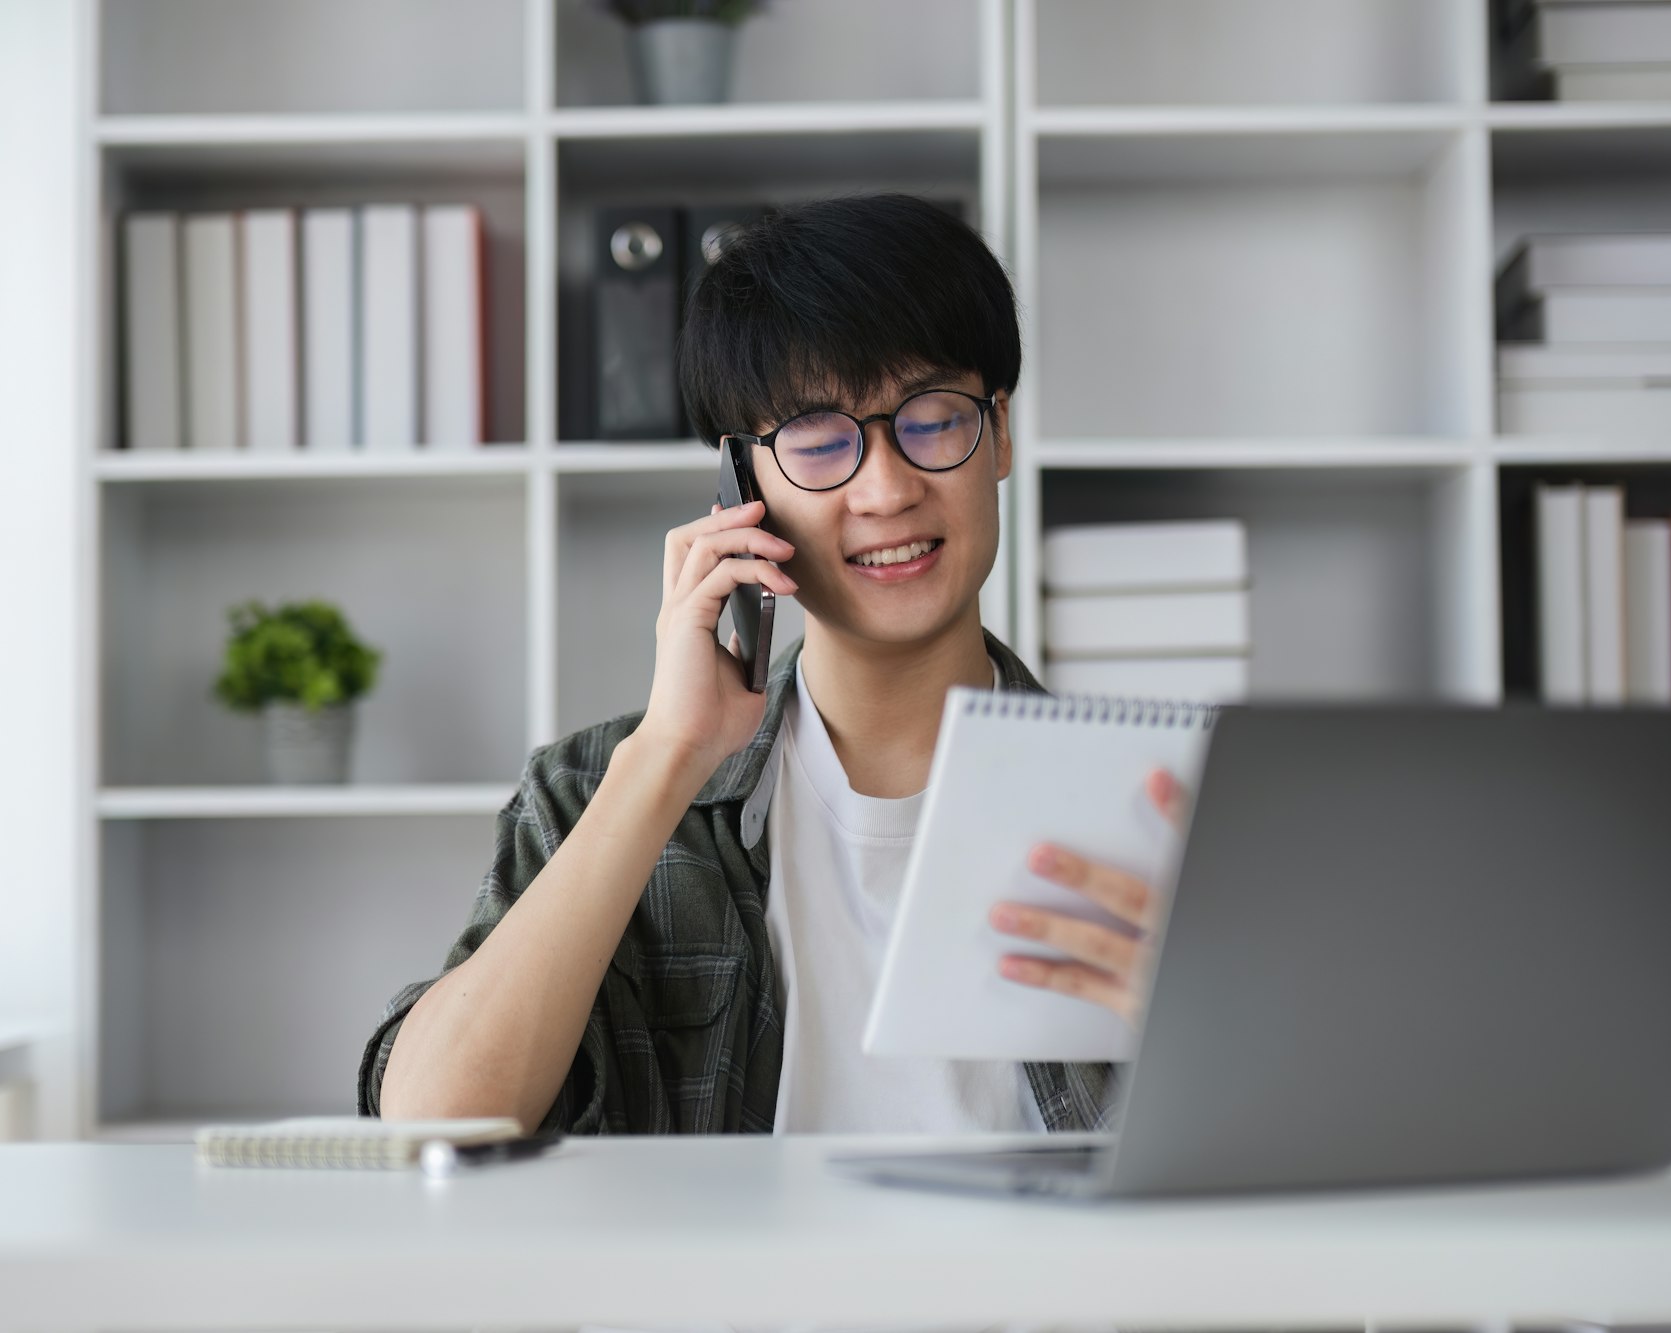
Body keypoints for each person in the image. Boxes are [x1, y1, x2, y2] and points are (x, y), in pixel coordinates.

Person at [357, 193, 1184, 1135]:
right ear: (742, 486)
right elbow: (431, 1119)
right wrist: (672, 752)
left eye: (933, 417)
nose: (886, 489)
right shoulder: (600, 790)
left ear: (998, 432)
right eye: (820, 439)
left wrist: (1204, 1001)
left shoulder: (1147, 801)